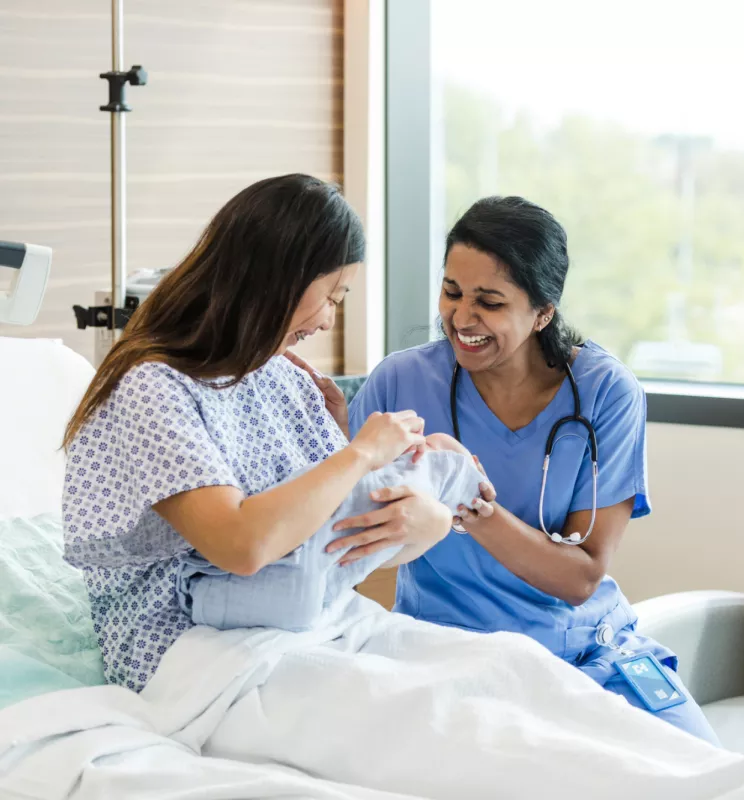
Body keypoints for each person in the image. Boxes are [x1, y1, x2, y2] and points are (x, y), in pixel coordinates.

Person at [344, 195, 720, 745]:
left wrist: (467, 498)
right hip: (444, 652)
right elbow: (344, 521)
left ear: (543, 312)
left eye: (489, 302)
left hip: (586, 649)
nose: (461, 318)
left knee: (706, 770)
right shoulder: (400, 381)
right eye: (451, 292)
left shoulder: (605, 392)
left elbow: (579, 577)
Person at [61, 174, 451, 693]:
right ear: (276, 278)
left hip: (312, 627)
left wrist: (428, 525)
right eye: (332, 296)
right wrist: (357, 454)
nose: (330, 323)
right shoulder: (153, 388)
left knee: (501, 674)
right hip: (194, 651)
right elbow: (241, 546)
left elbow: (336, 546)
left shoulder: (287, 380)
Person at [176, 432, 488, 632]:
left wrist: (436, 523)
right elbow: (244, 547)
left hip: (319, 610)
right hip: (186, 628)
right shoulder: (158, 393)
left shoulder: (298, 383)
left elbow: (361, 552)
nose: (327, 324)